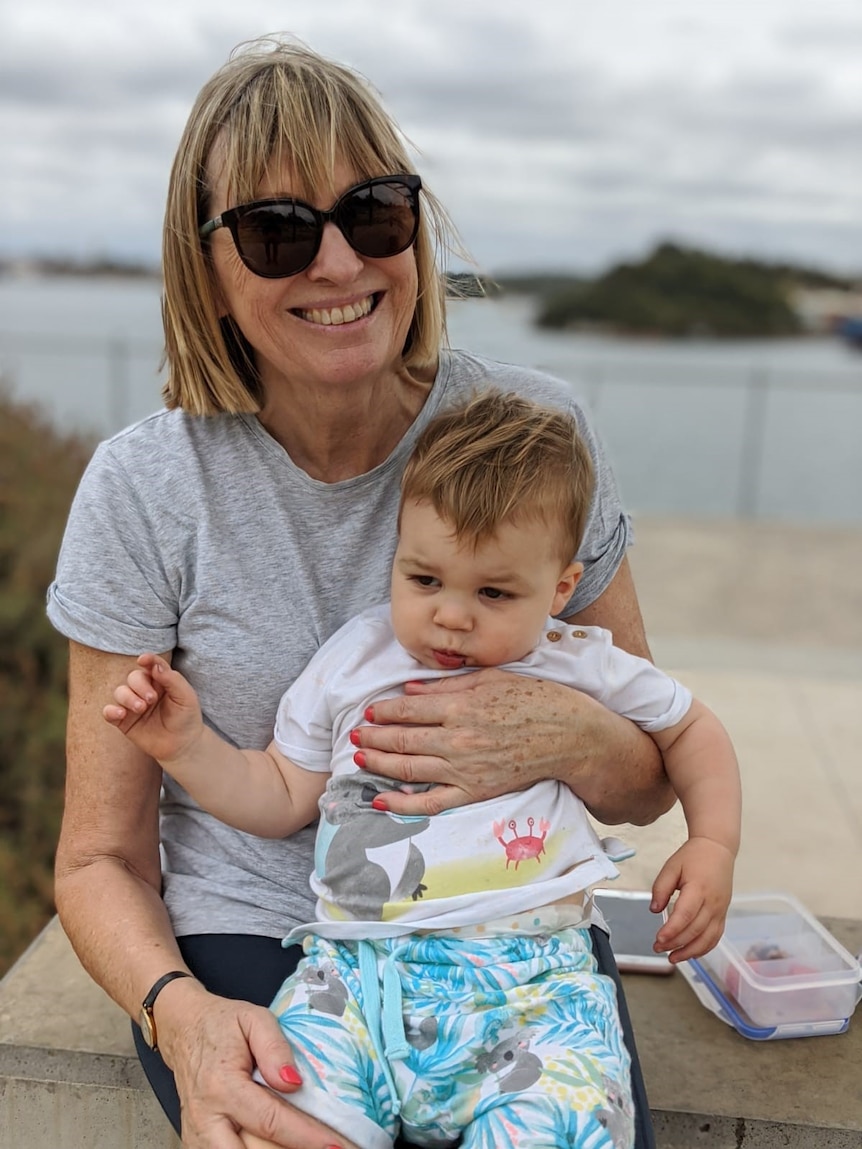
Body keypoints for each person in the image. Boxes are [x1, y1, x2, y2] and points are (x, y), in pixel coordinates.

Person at [47, 35, 678, 1149]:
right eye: (278, 231)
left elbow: (643, 786)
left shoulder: (536, 438)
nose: (338, 265)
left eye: (374, 213)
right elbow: (99, 856)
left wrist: (561, 728)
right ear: (206, 268)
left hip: (511, 935)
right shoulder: (144, 489)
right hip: (256, 935)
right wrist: (179, 1016)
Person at [103, 391, 741, 1149]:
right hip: (353, 985)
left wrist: (714, 843)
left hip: (535, 991)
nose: (452, 616)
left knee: (563, 1129)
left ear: (560, 588)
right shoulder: (351, 660)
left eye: (494, 592)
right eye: (425, 579)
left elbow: (691, 726)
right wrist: (184, 746)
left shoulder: (577, 662)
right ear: (396, 554)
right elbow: (276, 793)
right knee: (270, 1120)